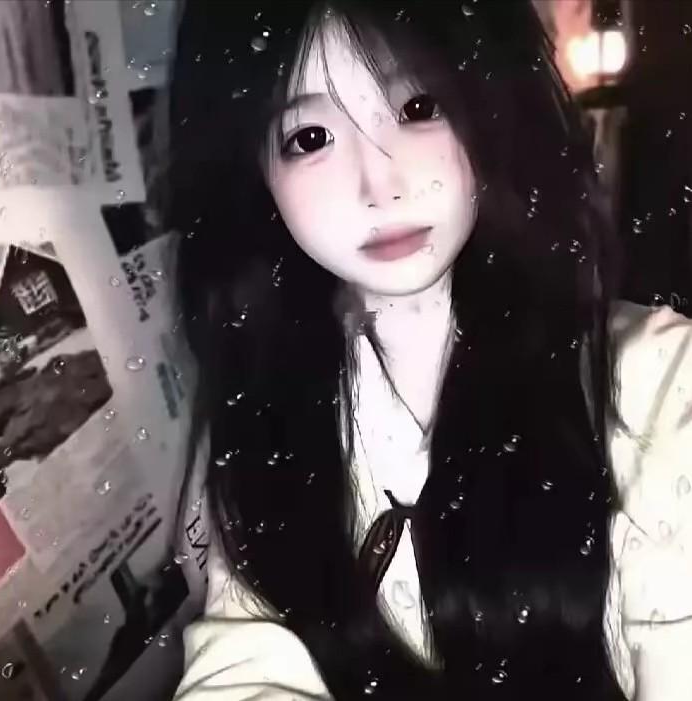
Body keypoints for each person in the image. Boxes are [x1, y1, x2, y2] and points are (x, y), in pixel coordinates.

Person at [165, 1, 692, 699]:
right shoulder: (269, 416)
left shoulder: (656, 380)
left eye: (419, 106)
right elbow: (247, 660)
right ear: (254, 172)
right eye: (310, 136)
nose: (379, 184)